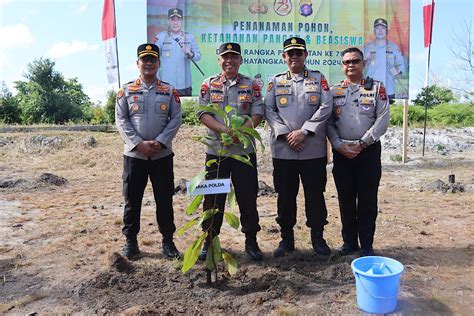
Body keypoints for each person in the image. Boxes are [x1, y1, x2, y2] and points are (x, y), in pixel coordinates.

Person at [264, 37, 333, 257]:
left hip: (312, 149)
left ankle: (318, 238)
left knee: (315, 195)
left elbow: (326, 105)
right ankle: (286, 239)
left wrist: (304, 131)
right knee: (285, 196)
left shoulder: (318, 78)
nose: (294, 56)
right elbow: (269, 109)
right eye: (290, 53)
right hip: (284, 150)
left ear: (305, 55)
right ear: (284, 57)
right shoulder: (275, 81)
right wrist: (286, 134)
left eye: (298, 53)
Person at [197, 42, 264, 261]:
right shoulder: (209, 84)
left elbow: (257, 114)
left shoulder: (251, 85)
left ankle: (251, 242)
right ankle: (210, 241)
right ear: (219, 60)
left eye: (234, 57)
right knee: (213, 199)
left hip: (243, 152)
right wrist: (224, 130)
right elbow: (203, 113)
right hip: (217, 152)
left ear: (240, 60)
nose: (229, 61)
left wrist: (239, 133)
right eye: (225, 57)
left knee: (247, 197)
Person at [115, 43, 182, 259]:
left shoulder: (170, 91)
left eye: (153, 59)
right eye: (144, 59)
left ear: (159, 63)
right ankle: (130, 242)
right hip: (135, 156)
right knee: (132, 200)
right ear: (137, 64)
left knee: (164, 200)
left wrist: (161, 142)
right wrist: (138, 143)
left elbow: (176, 119)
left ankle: (168, 241)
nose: (149, 63)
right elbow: (121, 120)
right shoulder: (126, 90)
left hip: (162, 155)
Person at [327, 47, 390, 257]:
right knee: (345, 199)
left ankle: (367, 245)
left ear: (364, 64)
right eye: (347, 62)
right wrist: (338, 145)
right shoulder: (335, 91)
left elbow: (383, 120)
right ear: (342, 66)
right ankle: (349, 243)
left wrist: (363, 143)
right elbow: (328, 122)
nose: (351, 65)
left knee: (367, 200)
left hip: (368, 152)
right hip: (342, 152)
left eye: (355, 61)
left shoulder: (376, 88)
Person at [154, 8, 201, 97]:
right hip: (165, 85)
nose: (175, 23)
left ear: (182, 21)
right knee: (165, 110)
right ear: (168, 21)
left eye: (178, 19)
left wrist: (190, 53)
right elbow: (154, 59)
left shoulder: (189, 37)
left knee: (185, 110)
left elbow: (198, 56)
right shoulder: (160, 38)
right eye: (173, 19)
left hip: (185, 85)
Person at [363, 18, 406, 100]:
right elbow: (358, 65)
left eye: (382, 28)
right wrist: (365, 59)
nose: (380, 31)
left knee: (387, 113)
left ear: (387, 31)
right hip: (370, 89)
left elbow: (402, 64)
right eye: (377, 28)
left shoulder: (393, 47)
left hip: (388, 89)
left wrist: (398, 71)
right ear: (374, 31)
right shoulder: (367, 48)